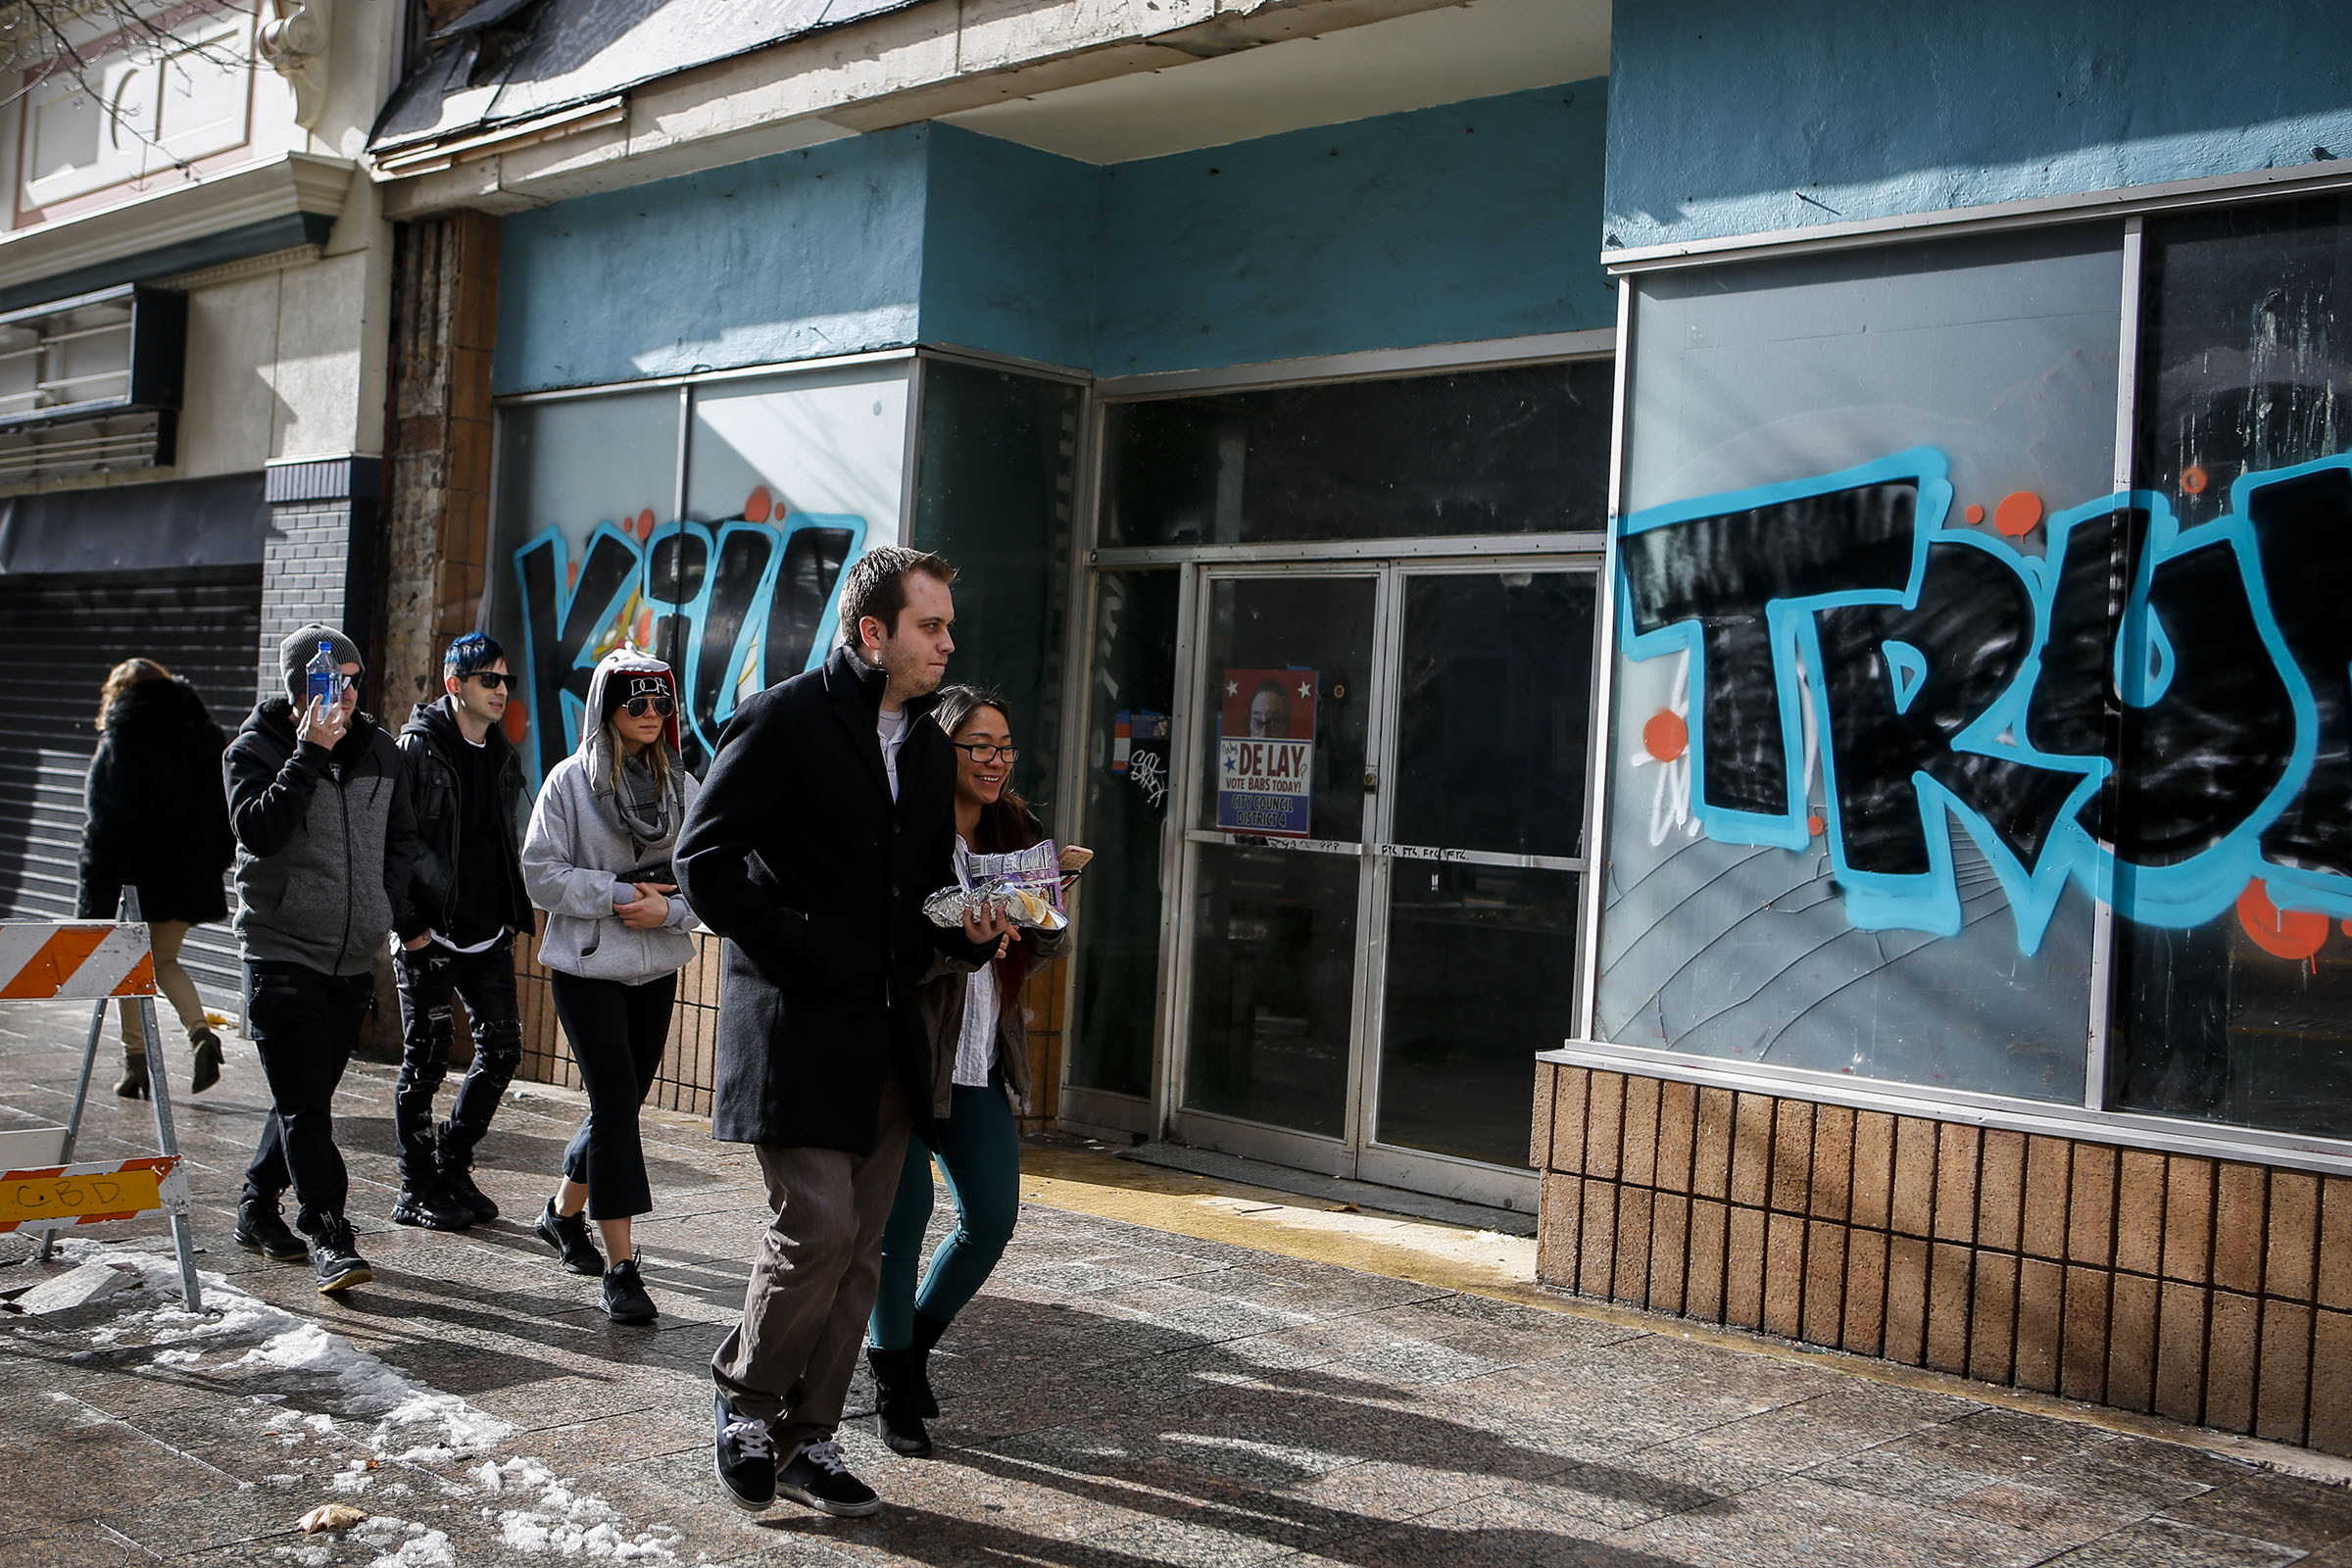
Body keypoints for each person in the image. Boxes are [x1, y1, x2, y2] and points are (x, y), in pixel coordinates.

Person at [677, 546, 1005, 1519]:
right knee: (814, 1227)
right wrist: (804, 944)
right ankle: (745, 1403)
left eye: (948, 625)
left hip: (890, 1033)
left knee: (864, 1243)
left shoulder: (934, 749)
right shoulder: (783, 720)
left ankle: (809, 1436)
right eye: (930, 626)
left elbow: (919, 896)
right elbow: (704, 860)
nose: (948, 642)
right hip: (794, 1029)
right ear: (872, 632)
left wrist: (974, 927)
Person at [867, 686, 1069, 1457]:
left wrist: (1037, 920)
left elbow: (1053, 944)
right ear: (939, 749)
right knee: (901, 1222)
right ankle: (893, 1382)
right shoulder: (909, 834)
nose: (995, 760)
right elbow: (890, 953)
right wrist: (964, 941)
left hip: (979, 1057)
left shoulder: (1018, 829)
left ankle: (909, 1349)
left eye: (1004, 745)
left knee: (990, 1220)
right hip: (905, 1057)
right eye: (978, 745)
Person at [225, 623, 417, 1294]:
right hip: (279, 952)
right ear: (296, 686)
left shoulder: (381, 752)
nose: (345, 692)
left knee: (302, 1096)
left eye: (353, 679)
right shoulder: (254, 749)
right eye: (328, 680)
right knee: (308, 1107)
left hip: (351, 957)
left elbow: (403, 837)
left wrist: (387, 908)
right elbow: (259, 829)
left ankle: (255, 1205)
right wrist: (307, 751)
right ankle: (330, 1231)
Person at [520, 646, 701, 1325]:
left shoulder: (685, 785)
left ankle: (560, 1214)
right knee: (618, 1110)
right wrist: (618, 893)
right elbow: (540, 875)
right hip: (587, 968)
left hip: (653, 966)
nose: (653, 715)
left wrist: (669, 910)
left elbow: (708, 878)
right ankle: (623, 1268)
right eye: (639, 703)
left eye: (663, 702)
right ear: (608, 708)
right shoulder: (568, 783)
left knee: (614, 1107)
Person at [388, 632, 535, 1232]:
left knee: (501, 1052)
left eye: (506, 681)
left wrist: (507, 915)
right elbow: (389, 849)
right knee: (424, 1062)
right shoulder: (416, 752)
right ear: (455, 685)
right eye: (489, 680)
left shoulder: (502, 754)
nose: (501, 691)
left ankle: (453, 1162)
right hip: (430, 935)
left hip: (485, 935)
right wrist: (412, 928)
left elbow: (500, 840)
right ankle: (415, 1186)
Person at [75, 659, 236, 1100]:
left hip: (135, 879)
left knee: (131, 970)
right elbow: (223, 807)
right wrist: (213, 861)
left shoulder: (121, 736)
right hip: (186, 874)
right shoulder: (204, 734)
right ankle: (201, 1032)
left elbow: (103, 821)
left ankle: (137, 1065)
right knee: (164, 961)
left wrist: (93, 901)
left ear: (119, 692)